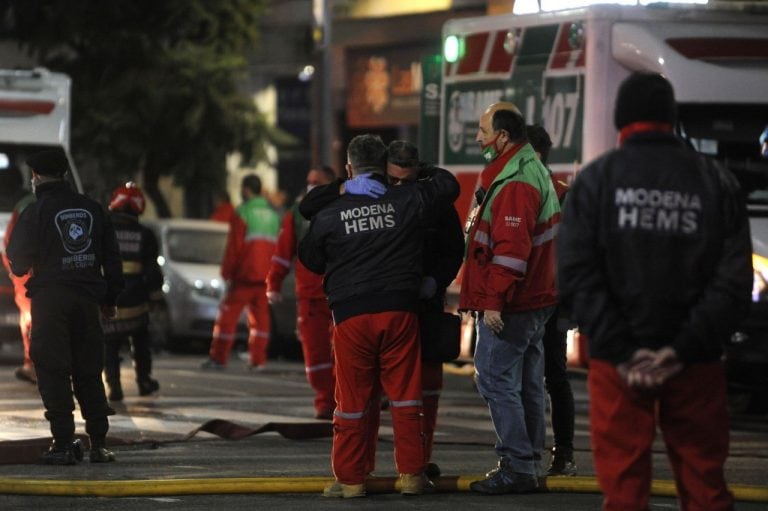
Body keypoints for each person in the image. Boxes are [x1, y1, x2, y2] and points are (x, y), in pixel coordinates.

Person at [557, 72, 753, 511]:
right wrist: (681, 348)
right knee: (705, 486)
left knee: (624, 491)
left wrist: (624, 350)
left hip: (617, 364)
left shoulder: (595, 181)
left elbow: (574, 275)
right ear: (672, 118)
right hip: (695, 363)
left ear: (620, 119)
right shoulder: (716, 182)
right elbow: (734, 282)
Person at [298, 134, 459, 498]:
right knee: (406, 397)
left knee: (353, 401)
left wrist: (340, 191)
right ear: (385, 168)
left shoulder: (331, 212)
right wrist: (421, 171)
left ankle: (352, 480)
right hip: (400, 311)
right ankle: (413, 476)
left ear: (350, 168)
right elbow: (447, 186)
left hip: (352, 315)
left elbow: (309, 256)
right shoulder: (405, 200)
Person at [460, 103, 560, 494]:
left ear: (502, 137)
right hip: (537, 297)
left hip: (516, 299)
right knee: (528, 383)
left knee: (495, 377)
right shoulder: (528, 170)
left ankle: (518, 465)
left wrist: (494, 302)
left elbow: (511, 251)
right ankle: (530, 462)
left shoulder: (516, 181)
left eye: (483, 130)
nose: (479, 138)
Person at [6, 148, 124, 465]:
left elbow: (17, 263)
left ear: (35, 177)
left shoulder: (35, 212)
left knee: (53, 370)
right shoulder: (93, 208)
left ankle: (62, 443)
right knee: (89, 370)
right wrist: (110, 300)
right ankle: (99, 444)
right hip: (87, 301)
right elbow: (112, 259)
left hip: (50, 302)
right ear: (65, 175)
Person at [385, 140, 464, 479]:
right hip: (388, 303)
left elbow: (453, 250)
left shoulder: (436, 206)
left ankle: (417, 460)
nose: (401, 187)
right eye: (395, 181)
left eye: (408, 180)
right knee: (380, 390)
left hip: (425, 306)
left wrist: (435, 279)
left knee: (427, 388)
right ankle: (370, 466)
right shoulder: (375, 200)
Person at [526, 124, 577, 476]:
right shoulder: (557, 191)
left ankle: (554, 452)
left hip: (544, 298)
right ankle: (544, 453)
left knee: (547, 376)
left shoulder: (557, 193)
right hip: (538, 297)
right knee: (546, 376)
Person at [266, 165, 337, 420]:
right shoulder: (297, 214)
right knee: (316, 355)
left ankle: (349, 401)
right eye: (309, 181)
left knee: (345, 353)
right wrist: (273, 284)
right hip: (310, 297)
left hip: (340, 294)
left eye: (317, 182)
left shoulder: (343, 207)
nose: (311, 186)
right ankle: (326, 402)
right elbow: (283, 253)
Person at [202, 174, 280, 370]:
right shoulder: (274, 215)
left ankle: (219, 358)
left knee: (227, 318)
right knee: (261, 320)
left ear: (246, 189)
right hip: (266, 277)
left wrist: (226, 273)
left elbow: (234, 247)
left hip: (244, 276)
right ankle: (258, 360)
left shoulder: (243, 212)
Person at [102, 182, 164, 401]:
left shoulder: (104, 229)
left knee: (109, 344)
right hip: (136, 300)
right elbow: (152, 270)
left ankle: (114, 387)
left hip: (110, 298)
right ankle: (144, 381)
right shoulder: (145, 234)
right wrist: (156, 295)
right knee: (140, 342)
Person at [1, 189, 36, 384]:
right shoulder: (73, 202)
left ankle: (31, 365)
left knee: (29, 320)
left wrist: (15, 272)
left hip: (27, 276)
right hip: (62, 276)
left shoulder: (24, 205)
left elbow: (9, 245)